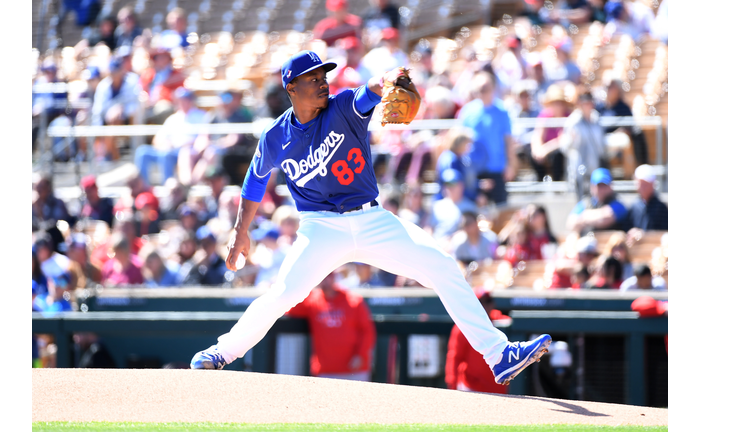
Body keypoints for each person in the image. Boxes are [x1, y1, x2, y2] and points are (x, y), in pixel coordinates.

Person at [189, 50, 551, 386]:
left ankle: (499, 354)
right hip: (321, 227)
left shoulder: (343, 105)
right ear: (291, 87)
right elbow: (254, 179)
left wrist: (391, 77)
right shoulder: (275, 136)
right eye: (312, 78)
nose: (321, 82)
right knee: (283, 293)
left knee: (442, 266)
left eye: (323, 76)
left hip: (371, 219)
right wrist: (240, 230)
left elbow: (374, 89)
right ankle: (222, 352)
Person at [286, 270, 376, 380]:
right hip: (326, 370)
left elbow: (367, 331)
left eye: (328, 276)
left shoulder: (354, 300)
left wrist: (360, 355)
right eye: (321, 277)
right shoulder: (313, 299)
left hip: (354, 370)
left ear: (334, 277)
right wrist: (306, 285)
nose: (324, 280)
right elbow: (289, 309)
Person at [457, 72, 518, 206]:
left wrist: (511, 165)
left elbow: (508, 140)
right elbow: (459, 140)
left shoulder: (502, 111)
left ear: (493, 87)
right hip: (474, 170)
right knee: (475, 212)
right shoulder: (467, 111)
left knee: (500, 210)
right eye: (480, 89)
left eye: (486, 88)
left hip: (497, 169)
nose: (483, 92)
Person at [134, 87, 207, 185]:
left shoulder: (201, 116)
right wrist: (165, 144)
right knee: (142, 151)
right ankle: (143, 186)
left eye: (186, 99)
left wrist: (186, 144)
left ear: (191, 100)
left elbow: (204, 137)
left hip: (188, 152)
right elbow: (158, 139)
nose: (183, 102)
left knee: (166, 155)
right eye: (181, 100)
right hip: (170, 149)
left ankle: (168, 188)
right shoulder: (173, 118)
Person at [445, 290, 511, 394]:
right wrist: (452, 384)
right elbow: (455, 357)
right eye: (480, 302)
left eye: (487, 301)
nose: (484, 306)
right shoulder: (463, 326)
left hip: (498, 388)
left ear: (492, 304)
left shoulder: (501, 322)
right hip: (471, 387)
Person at [559, 91, 606, 199]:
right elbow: (565, 147)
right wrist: (571, 139)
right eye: (585, 103)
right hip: (579, 167)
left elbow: (600, 142)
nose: (588, 105)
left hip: (594, 165)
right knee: (581, 199)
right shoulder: (573, 121)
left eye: (589, 102)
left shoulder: (596, 119)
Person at [596, 77, 649, 168]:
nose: (607, 89)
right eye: (606, 87)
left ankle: (639, 168)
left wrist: (620, 132)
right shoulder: (600, 107)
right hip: (599, 138)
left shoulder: (623, 107)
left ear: (618, 90)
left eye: (610, 87)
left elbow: (630, 127)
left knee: (630, 138)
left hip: (617, 140)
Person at [530, 83, 574, 182]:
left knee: (559, 155)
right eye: (554, 102)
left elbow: (563, 139)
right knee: (531, 154)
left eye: (559, 102)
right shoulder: (544, 115)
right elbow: (537, 135)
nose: (557, 105)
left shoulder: (569, 117)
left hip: (559, 151)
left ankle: (557, 183)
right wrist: (537, 150)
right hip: (546, 151)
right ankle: (541, 182)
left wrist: (546, 149)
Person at [566, 168, 630, 235]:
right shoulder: (586, 202)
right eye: (599, 186)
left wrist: (584, 216)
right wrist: (595, 216)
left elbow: (605, 219)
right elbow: (571, 224)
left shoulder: (618, 203)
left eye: (604, 185)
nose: (602, 189)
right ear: (592, 187)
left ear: (611, 186)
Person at [140, 47, 186, 125]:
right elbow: (142, 89)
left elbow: (179, 93)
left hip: (164, 103)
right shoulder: (149, 73)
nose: (161, 59)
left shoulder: (176, 74)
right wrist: (145, 97)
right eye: (158, 57)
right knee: (136, 109)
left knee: (164, 109)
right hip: (147, 104)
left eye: (164, 57)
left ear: (169, 59)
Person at [627, 164, 668, 231]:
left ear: (652, 184)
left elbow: (663, 233)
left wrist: (644, 236)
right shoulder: (633, 207)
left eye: (646, 184)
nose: (643, 187)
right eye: (641, 183)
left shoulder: (661, 208)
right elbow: (627, 229)